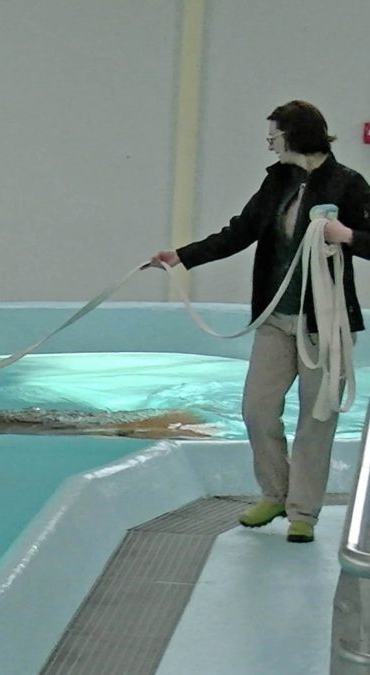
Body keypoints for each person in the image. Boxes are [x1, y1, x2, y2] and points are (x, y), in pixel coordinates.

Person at [151, 101, 370, 543]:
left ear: (296, 135)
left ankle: (303, 511)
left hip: (322, 323)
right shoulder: (278, 181)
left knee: (317, 418)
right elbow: (241, 231)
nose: (269, 141)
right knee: (256, 408)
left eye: (275, 133)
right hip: (276, 317)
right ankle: (275, 492)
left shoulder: (347, 184)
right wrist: (182, 257)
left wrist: (345, 235)